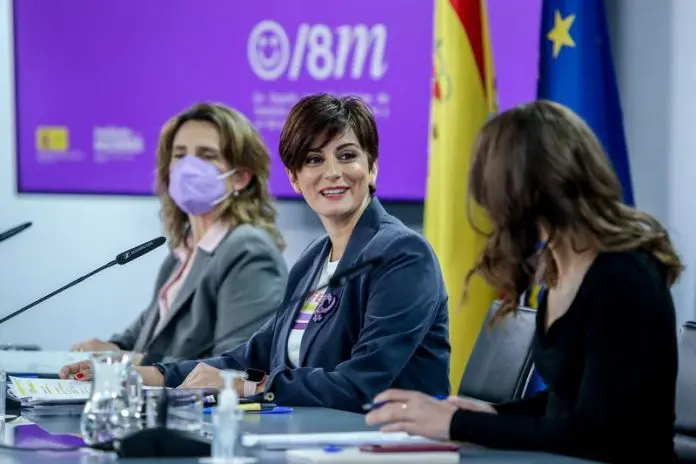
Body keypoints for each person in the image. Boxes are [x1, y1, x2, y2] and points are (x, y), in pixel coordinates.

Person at [61, 93, 451, 413]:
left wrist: (246, 386)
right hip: (315, 440)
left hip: (391, 444)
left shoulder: (403, 254)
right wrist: (145, 375)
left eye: (347, 156)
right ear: (295, 178)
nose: (332, 172)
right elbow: (252, 354)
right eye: (314, 160)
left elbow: (362, 383)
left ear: (373, 168)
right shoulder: (314, 258)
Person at [365, 100, 681, 462]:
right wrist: (491, 414)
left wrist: (458, 425)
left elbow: (597, 433)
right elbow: (567, 402)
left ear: (523, 190)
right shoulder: (559, 267)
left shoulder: (621, 277)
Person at [69, 102, 288, 365]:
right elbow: (146, 338)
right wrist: (110, 349)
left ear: (240, 177)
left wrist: (130, 363)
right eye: (180, 155)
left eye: (207, 155)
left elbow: (235, 366)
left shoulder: (248, 250)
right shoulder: (184, 251)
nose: (188, 167)